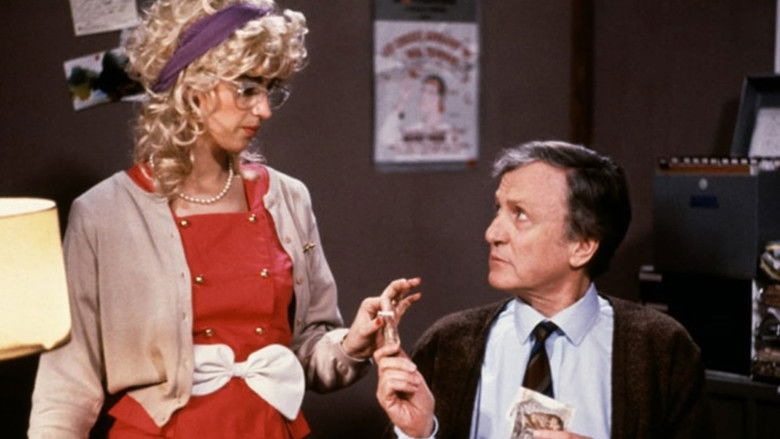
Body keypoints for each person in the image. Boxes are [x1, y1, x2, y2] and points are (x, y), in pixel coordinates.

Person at [29, 1, 419, 437]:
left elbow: (308, 351)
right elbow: (66, 386)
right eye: (247, 89)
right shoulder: (104, 213)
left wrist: (352, 343)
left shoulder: (288, 198)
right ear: (193, 89)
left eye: (271, 89)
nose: (265, 109)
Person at [375, 141, 707, 438]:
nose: (492, 233)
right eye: (499, 209)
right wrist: (419, 436)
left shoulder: (661, 350)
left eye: (520, 215)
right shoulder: (446, 344)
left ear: (582, 246)